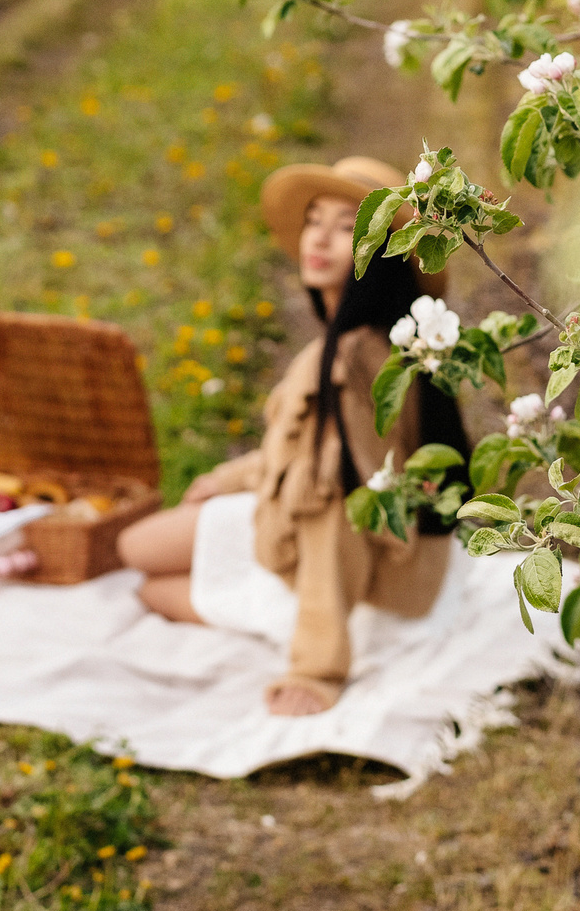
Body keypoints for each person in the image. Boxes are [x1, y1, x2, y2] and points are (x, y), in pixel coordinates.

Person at [116, 155, 467, 717]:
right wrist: (228, 478)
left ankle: (294, 621)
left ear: (380, 249)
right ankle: (254, 592)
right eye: (314, 220)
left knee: (147, 580)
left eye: (347, 225)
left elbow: (344, 507)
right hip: (302, 514)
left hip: (355, 568)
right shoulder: (356, 343)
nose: (320, 239)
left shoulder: (356, 363)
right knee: (137, 549)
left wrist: (317, 666)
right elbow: (299, 447)